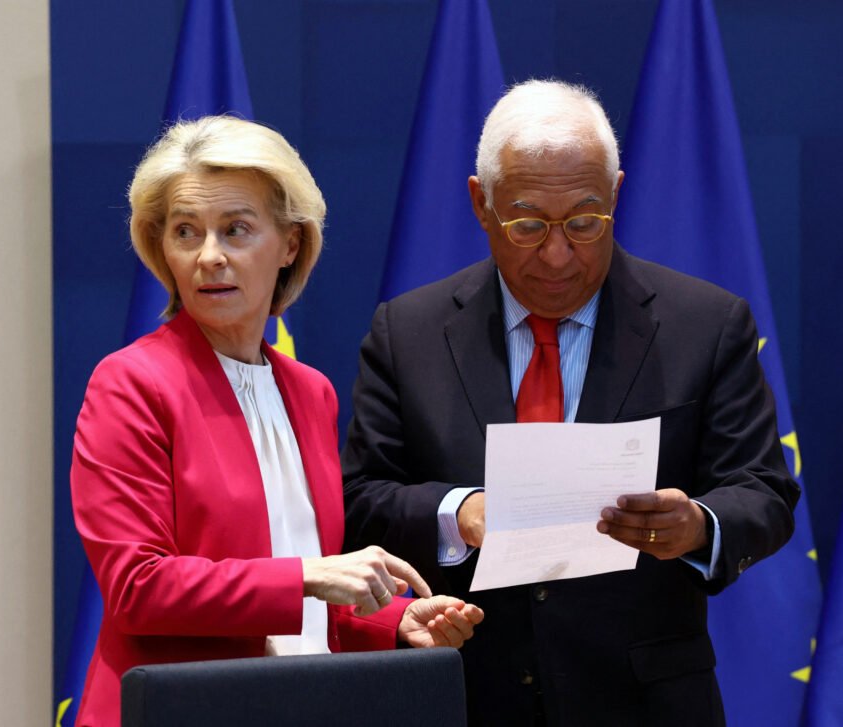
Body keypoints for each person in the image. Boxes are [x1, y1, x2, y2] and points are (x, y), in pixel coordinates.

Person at [342, 80, 799, 726]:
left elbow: (765, 492)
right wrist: (458, 511)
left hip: (647, 703)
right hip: (469, 696)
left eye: (585, 222)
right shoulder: (408, 332)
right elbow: (359, 500)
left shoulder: (705, 323)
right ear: (482, 204)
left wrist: (697, 523)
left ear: (615, 193)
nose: (558, 254)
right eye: (529, 224)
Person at [70, 115, 483, 727]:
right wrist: (312, 575)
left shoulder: (309, 392)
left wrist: (389, 618)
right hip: (182, 712)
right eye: (186, 232)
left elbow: (296, 586)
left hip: (298, 704)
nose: (210, 256)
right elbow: (138, 588)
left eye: (236, 229)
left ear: (291, 243)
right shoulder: (130, 383)